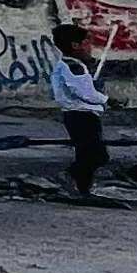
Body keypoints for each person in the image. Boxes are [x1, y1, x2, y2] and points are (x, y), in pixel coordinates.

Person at [45, 22, 113, 196]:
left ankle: (83, 189)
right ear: (75, 45)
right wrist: (108, 100)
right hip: (82, 116)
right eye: (86, 43)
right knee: (95, 155)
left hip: (76, 116)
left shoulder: (65, 65)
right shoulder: (74, 67)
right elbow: (85, 93)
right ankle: (70, 178)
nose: (90, 48)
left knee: (87, 154)